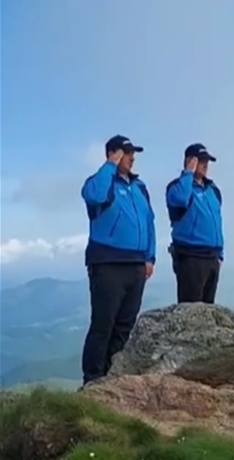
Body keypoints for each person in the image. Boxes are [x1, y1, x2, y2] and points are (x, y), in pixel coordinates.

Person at [80, 134, 156, 386]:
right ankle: (93, 379)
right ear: (113, 153)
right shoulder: (100, 181)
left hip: (136, 266)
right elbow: (94, 197)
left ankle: (114, 378)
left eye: (133, 153)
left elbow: (149, 222)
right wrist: (109, 166)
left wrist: (149, 257)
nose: (133, 157)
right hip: (107, 263)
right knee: (103, 325)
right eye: (127, 152)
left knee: (125, 326)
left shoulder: (139, 187)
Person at [166, 143, 224, 303]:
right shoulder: (177, 187)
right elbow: (180, 199)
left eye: (207, 161)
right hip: (191, 256)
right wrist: (188, 173)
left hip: (212, 258)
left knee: (208, 310)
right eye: (201, 160)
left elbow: (217, 222)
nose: (205, 165)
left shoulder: (213, 190)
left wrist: (220, 254)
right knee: (191, 312)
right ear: (190, 161)